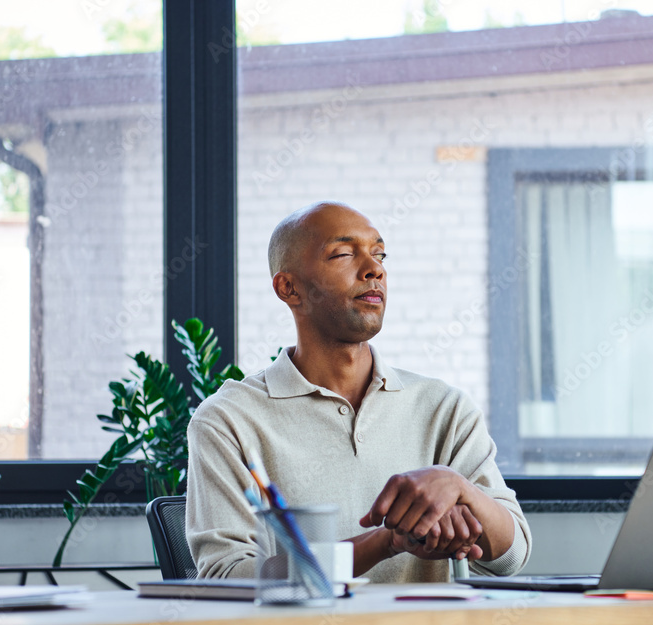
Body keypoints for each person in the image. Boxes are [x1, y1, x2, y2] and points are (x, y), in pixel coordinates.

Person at [186, 201, 531, 583]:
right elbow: (226, 575)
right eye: (344, 254)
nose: (374, 269)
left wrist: (461, 490)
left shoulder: (443, 407)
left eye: (379, 254)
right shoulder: (228, 419)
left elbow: (510, 556)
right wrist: (385, 541)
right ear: (289, 288)